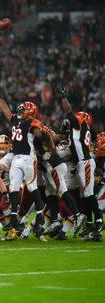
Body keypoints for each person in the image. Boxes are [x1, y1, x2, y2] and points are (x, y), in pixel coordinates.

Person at [0, 82, 49, 241]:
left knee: (25, 188)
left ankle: (37, 218)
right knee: (19, 189)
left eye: (24, 109)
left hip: (24, 158)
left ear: (29, 112)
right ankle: (15, 222)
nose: (21, 110)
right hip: (20, 158)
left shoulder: (28, 121)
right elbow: (6, 110)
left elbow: (38, 132)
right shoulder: (23, 121)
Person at [61, 89, 102, 241]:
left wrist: (64, 97)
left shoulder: (80, 125)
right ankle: (91, 223)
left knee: (88, 194)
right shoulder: (80, 130)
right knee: (84, 194)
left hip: (84, 162)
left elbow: (68, 112)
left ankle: (98, 222)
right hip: (82, 162)